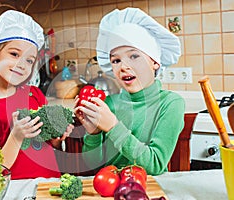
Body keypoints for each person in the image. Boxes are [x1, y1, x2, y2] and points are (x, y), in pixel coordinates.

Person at [74, 7, 185, 175]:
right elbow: (93, 167)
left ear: (155, 62)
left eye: (134, 56)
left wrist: (112, 126)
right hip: (109, 189)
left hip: (148, 189)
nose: (124, 67)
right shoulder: (109, 103)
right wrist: (94, 134)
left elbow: (154, 165)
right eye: (116, 60)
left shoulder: (170, 104)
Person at [0, 10, 74, 180]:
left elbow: (49, 145)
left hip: (49, 185)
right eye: (14, 54)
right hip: (14, 190)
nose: (22, 64)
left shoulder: (34, 94)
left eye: (29, 60)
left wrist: (57, 137)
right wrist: (16, 136)